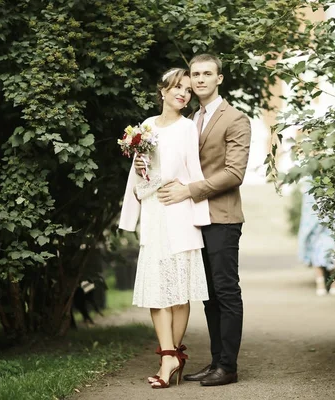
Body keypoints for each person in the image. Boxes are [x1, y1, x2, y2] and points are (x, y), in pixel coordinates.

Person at [136, 54, 251, 386]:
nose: (200, 80)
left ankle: (227, 365)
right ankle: (216, 361)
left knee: (226, 291)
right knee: (208, 293)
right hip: (190, 218)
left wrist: (188, 191)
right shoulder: (193, 118)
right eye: (195, 74)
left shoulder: (236, 119)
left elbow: (233, 173)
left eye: (207, 74)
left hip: (221, 215)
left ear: (219, 78)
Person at [119, 67, 211, 389]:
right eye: (177, 87)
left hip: (179, 212)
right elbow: (137, 176)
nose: (183, 93)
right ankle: (169, 356)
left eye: (188, 89)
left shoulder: (188, 128)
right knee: (157, 291)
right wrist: (142, 172)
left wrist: (198, 212)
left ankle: (169, 358)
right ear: (163, 91)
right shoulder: (144, 127)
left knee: (179, 292)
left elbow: (192, 172)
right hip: (154, 215)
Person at [297, 188, 335, 296]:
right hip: (324, 231)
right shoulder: (316, 189)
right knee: (327, 256)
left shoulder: (313, 189)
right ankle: (328, 285)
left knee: (328, 257)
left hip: (325, 230)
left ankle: (326, 286)